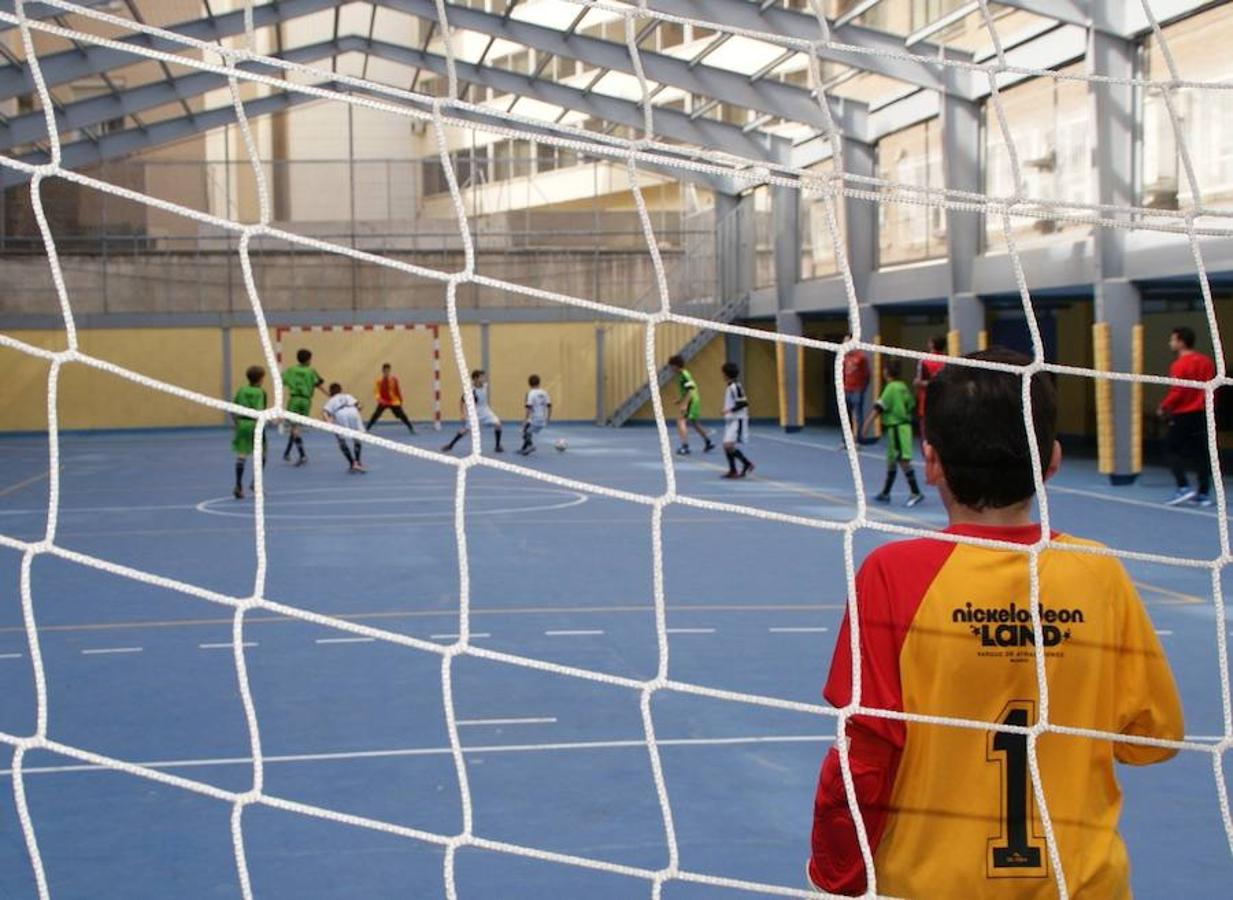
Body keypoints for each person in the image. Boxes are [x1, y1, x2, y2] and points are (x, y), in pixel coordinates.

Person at [808, 347, 1183, 898]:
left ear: (931, 459)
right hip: (1078, 882)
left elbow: (864, 753)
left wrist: (835, 874)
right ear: (1052, 460)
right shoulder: (1098, 572)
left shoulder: (894, 574)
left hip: (933, 884)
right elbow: (1153, 740)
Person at [1158, 326, 1217, 507]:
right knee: (1202, 454)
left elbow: (1178, 391)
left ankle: (1183, 487)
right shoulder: (1206, 361)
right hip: (1202, 413)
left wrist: (1164, 406)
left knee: (1171, 449)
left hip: (1184, 414)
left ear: (1181, 342)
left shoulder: (1179, 364)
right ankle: (1204, 494)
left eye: (1173, 340)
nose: (1170, 343)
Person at [862, 358, 924, 507]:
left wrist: (865, 427)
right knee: (891, 461)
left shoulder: (890, 388)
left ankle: (915, 492)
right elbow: (911, 404)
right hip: (901, 427)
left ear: (886, 372)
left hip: (897, 428)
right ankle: (885, 492)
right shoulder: (903, 386)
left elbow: (878, 408)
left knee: (903, 461)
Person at [281, 348, 327, 466]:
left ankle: (301, 455)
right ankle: (291, 453)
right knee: (296, 428)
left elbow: (282, 380)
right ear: (308, 359)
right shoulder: (311, 371)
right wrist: (329, 395)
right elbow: (319, 384)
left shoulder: (290, 370)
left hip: (294, 399)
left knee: (294, 427)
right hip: (306, 401)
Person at [441, 369, 503, 454]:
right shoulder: (470, 390)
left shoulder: (485, 385)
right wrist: (462, 413)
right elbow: (462, 401)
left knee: (498, 424)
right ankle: (450, 445)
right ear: (476, 378)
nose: (484, 378)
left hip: (486, 410)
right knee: (465, 430)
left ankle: (497, 446)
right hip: (475, 412)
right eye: (482, 377)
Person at [231, 365, 268, 500]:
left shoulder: (241, 390)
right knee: (261, 454)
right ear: (261, 379)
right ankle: (255, 484)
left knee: (241, 455)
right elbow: (260, 411)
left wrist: (236, 423)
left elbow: (232, 407)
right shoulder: (260, 392)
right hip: (255, 425)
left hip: (242, 424)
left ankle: (238, 485)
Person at [668, 354, 714, 456]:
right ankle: (708, 441)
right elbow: (686, 390)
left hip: (691, 401)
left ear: (676, 365)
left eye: (671, 366)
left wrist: (684, 404)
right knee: (694, 423)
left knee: (680, 421)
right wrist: (680, 400)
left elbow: (690, 389)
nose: (670, 368)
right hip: (691, 400)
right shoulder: (680, 375)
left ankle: (685, 447)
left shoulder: (685, 374)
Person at [720, 361, 754, 479]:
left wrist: (729, 410)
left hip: (738, 419)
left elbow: (743, 403)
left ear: (726, 374)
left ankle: (746, 464)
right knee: (727, 446)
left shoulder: (735, 387)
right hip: (731, 420)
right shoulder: (730, 387)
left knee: (728, 445)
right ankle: (734, 469)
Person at [322, 383, 366, 473]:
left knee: (341, 439)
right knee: (357, 438)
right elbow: (360, 406)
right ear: (340, 390)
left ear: (331, 392)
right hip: (353, 412)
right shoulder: (348, 396)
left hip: (340, 414)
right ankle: (358, 461)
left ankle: (352, 463)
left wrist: (329, 422)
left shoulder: (331, 400)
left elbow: (325, 412)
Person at [366, 362, 416, 435]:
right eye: (385, 371)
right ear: (383, 371)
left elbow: (397, 390)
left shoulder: (394, 379)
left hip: (393, 401)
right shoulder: (379, 381)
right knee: (376, 414)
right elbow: (376, 392)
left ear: (389, 371)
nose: (386, 372)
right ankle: (367, 429)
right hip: (383, 401)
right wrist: (379, 399)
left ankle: (411, 428)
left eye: (388, 370)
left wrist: (400, 400)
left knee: (401, 415)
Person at [913, 334, 947, 435]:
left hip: (926, 402)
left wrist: (918, 383)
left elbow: (919, 381)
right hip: (944, 402)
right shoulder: (949, 361)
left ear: (932, 344)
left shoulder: (924, 361)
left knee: (927, 435)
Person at [841, 335, 870, 444]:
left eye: (847, 342)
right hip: (846, 389)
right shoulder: (844, 357)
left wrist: (862, 388)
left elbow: (867, 374)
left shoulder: (861, 357)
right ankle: (846, 440)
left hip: (857, 390)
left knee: (858, 416)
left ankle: (858, 440)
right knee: (845, 415)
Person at [518, 374, 552, 456]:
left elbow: (528, 408)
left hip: (534, 419)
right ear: (539, 383)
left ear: (529, 384)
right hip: (542, 419)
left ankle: (530, 445)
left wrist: (525, 420)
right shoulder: (544, 392)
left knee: (523, 431)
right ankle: (524, 449)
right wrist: (548, 418)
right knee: (528, 431)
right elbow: (549, 406)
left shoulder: (531, 393)